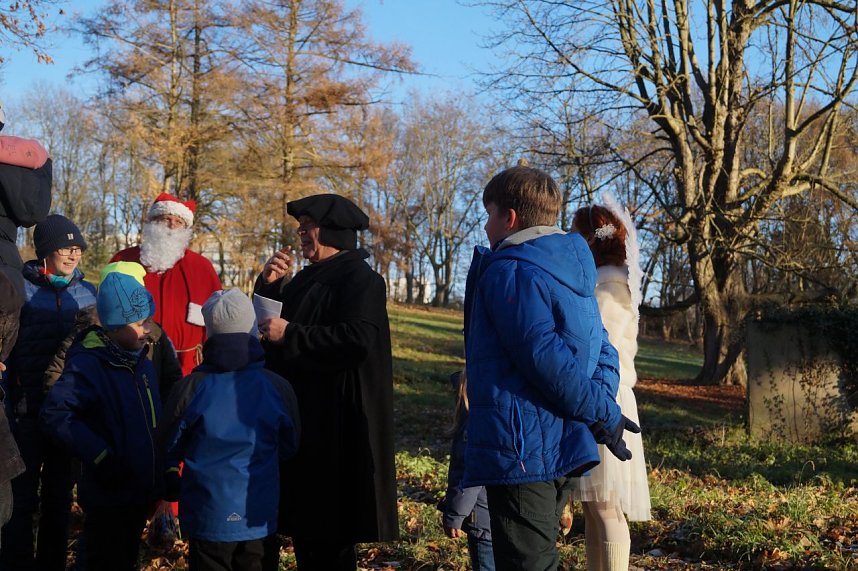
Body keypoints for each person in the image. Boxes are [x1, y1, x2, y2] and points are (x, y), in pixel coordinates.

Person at [461, 163, 640, 571]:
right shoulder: (574, 270)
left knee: (529, 563)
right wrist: (600, 411)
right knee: (538, 557)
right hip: (561, 445)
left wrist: (601, 412)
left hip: (521, 447)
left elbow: (543, 357)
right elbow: (604, 352)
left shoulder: (509, 271)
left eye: (489, 215)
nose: (486, 227)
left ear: (509, 218)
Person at [255, 193, 398, 570]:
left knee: (329, 538)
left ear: (333, 230)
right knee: (308, 533)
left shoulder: (360, 279)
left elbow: (358, 341)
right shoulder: (304, 279)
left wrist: (291, 334)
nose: (300, 232)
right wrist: (269, 287)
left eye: (308, 225)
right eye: (299, 225)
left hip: (337, 430)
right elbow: (271, 337)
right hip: (304, 426)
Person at [157, 289, 301, 571]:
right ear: (251, 329)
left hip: (206, 513)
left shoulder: (191, 387)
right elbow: (289, 444)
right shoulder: (276, 387)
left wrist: (173, 471)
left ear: (209, 333)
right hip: (257, 511)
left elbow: (168, 443)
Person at [40, 270, 162, 571]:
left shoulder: (141, 361)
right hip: (108, 488)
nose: (147, 329)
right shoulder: (88, 365)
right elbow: (56, 414)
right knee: (98, 557)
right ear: (115, 326)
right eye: (139, 323)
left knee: (125, 556)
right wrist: (99, 455)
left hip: (138, 487)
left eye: (146, 321)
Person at [1, 215, 97, 571]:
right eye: (64, 248)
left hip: (66, 416)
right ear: (45, 251)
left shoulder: (89, 294)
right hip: (24, 414)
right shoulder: (19, 289)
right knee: (22, 501)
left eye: (77, 249)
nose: (72, 256)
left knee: (58, 500)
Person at [570, 202, 652, 571]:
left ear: (589, 239)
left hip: (605, 395)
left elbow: (594, 348)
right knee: (595, 506)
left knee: (605, 505)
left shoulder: (607, 288)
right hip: (605, 393)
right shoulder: (611, 282)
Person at [111, 193, 222, 375]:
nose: (171, 225)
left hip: (188, 368)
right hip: (132, 362)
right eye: (165, 219)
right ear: (153, 223)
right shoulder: (123, 261)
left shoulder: (202, 268)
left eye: (178, 222)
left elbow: (219, 320)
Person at [43, 262, 184, 406]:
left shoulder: (155, 335)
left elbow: (172, 380)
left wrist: (166, 419)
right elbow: (57, 378)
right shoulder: (86, 342)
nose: (145, 328)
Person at [438, 370, 494, 571]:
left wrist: (454, 514)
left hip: (481, 520)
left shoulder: (472, 427)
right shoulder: (494, 421)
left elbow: (469, 473)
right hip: (498, 518)